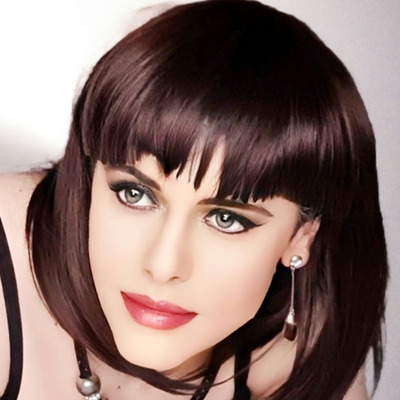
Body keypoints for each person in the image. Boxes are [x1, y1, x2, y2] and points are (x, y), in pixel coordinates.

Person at [0, 0, 388, 399]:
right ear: (90, 174)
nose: (163, 265)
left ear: (301, 237)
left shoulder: (302, 350)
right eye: (135, 194)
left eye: (225, 219)